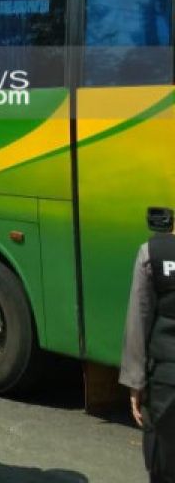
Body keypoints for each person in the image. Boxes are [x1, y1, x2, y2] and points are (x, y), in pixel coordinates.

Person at [121, 206, 175, 483]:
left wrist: (136, 382)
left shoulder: (152, 253)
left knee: (164, 463)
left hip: (166, 380)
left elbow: (138, 320)